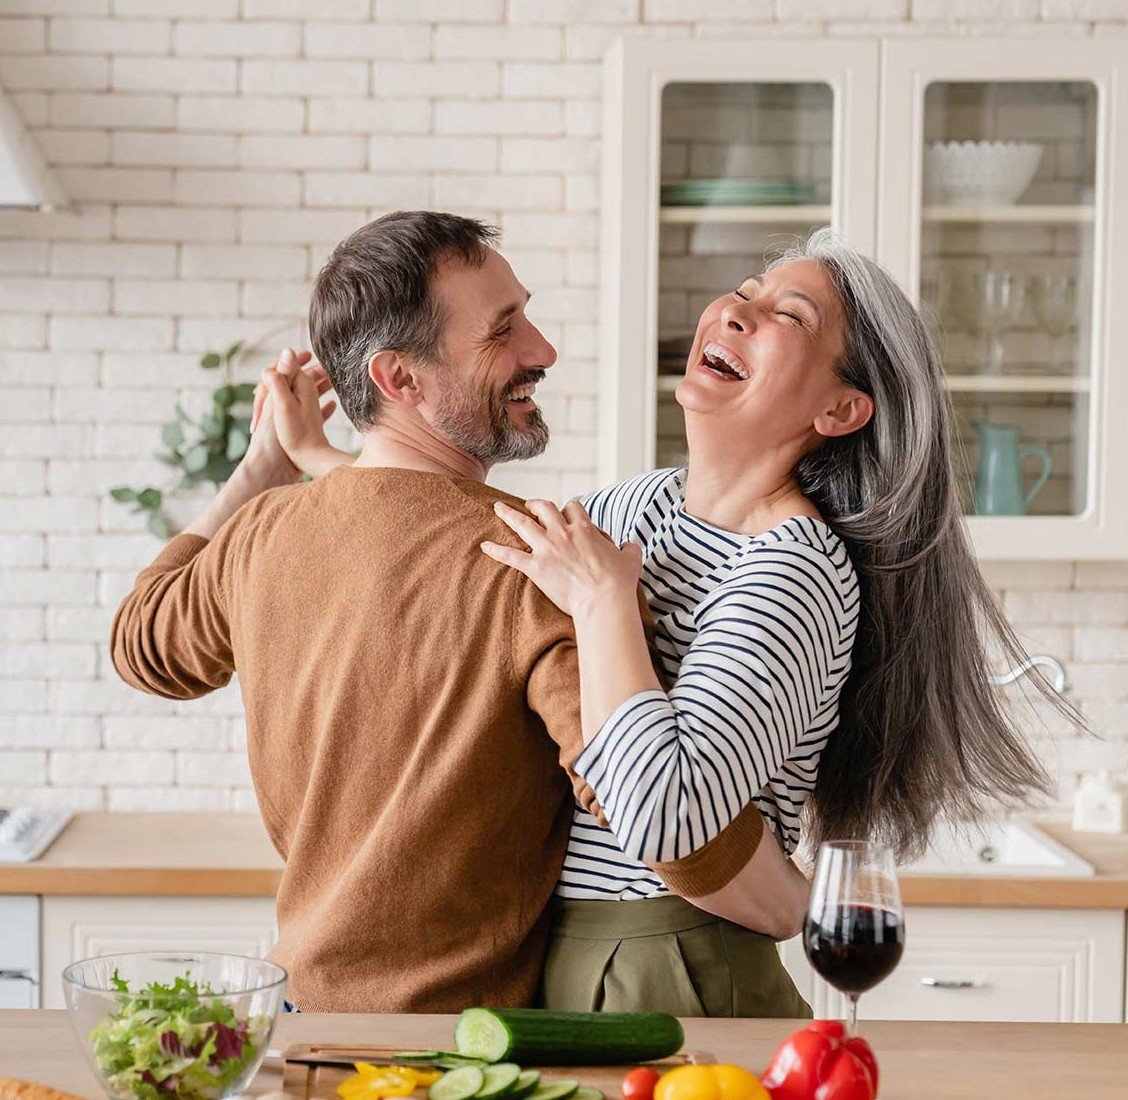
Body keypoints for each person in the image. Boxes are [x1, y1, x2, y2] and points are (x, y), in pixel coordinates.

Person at [267, 225, 1064, 1017]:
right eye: (746, 293)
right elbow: (472, 542)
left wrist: (607, 604)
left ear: (840, 407)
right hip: (561, 955)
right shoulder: (635, 506)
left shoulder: (794, 570)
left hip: (677, 962)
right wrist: (323, 459)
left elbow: (665, 815)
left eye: (790, 317)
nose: (737, 312)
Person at [110, 211, 795, 1015]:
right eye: (503, 333)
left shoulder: (262, 534)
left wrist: (261, 468)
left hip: (297, 1022)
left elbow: (141, 643)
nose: (542, 350)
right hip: (453, 1053)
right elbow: (659, 816)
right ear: (400, 380)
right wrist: (802, 905)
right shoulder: (533, 565)